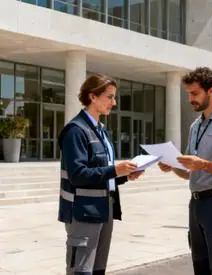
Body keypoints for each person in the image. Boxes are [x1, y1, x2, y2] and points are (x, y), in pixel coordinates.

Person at [158, 67, 212, 275]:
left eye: (195, 93)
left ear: (211, 91)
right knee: (201, 267)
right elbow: (191, 171)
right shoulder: (195, 126)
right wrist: (173, 166)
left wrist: (204, 164)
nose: (190, 99)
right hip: (196, 204)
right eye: (188, 93)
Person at [58, 74, 144, 275]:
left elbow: (100, 173)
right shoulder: (75, 131)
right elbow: (78, 174)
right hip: (83, 213)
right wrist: (115, 169)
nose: (114, 103)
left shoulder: (102, 131)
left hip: (105, 210)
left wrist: (125, 175)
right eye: (110, 97)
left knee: (97, 270)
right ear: (92, 97)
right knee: (81, 272)